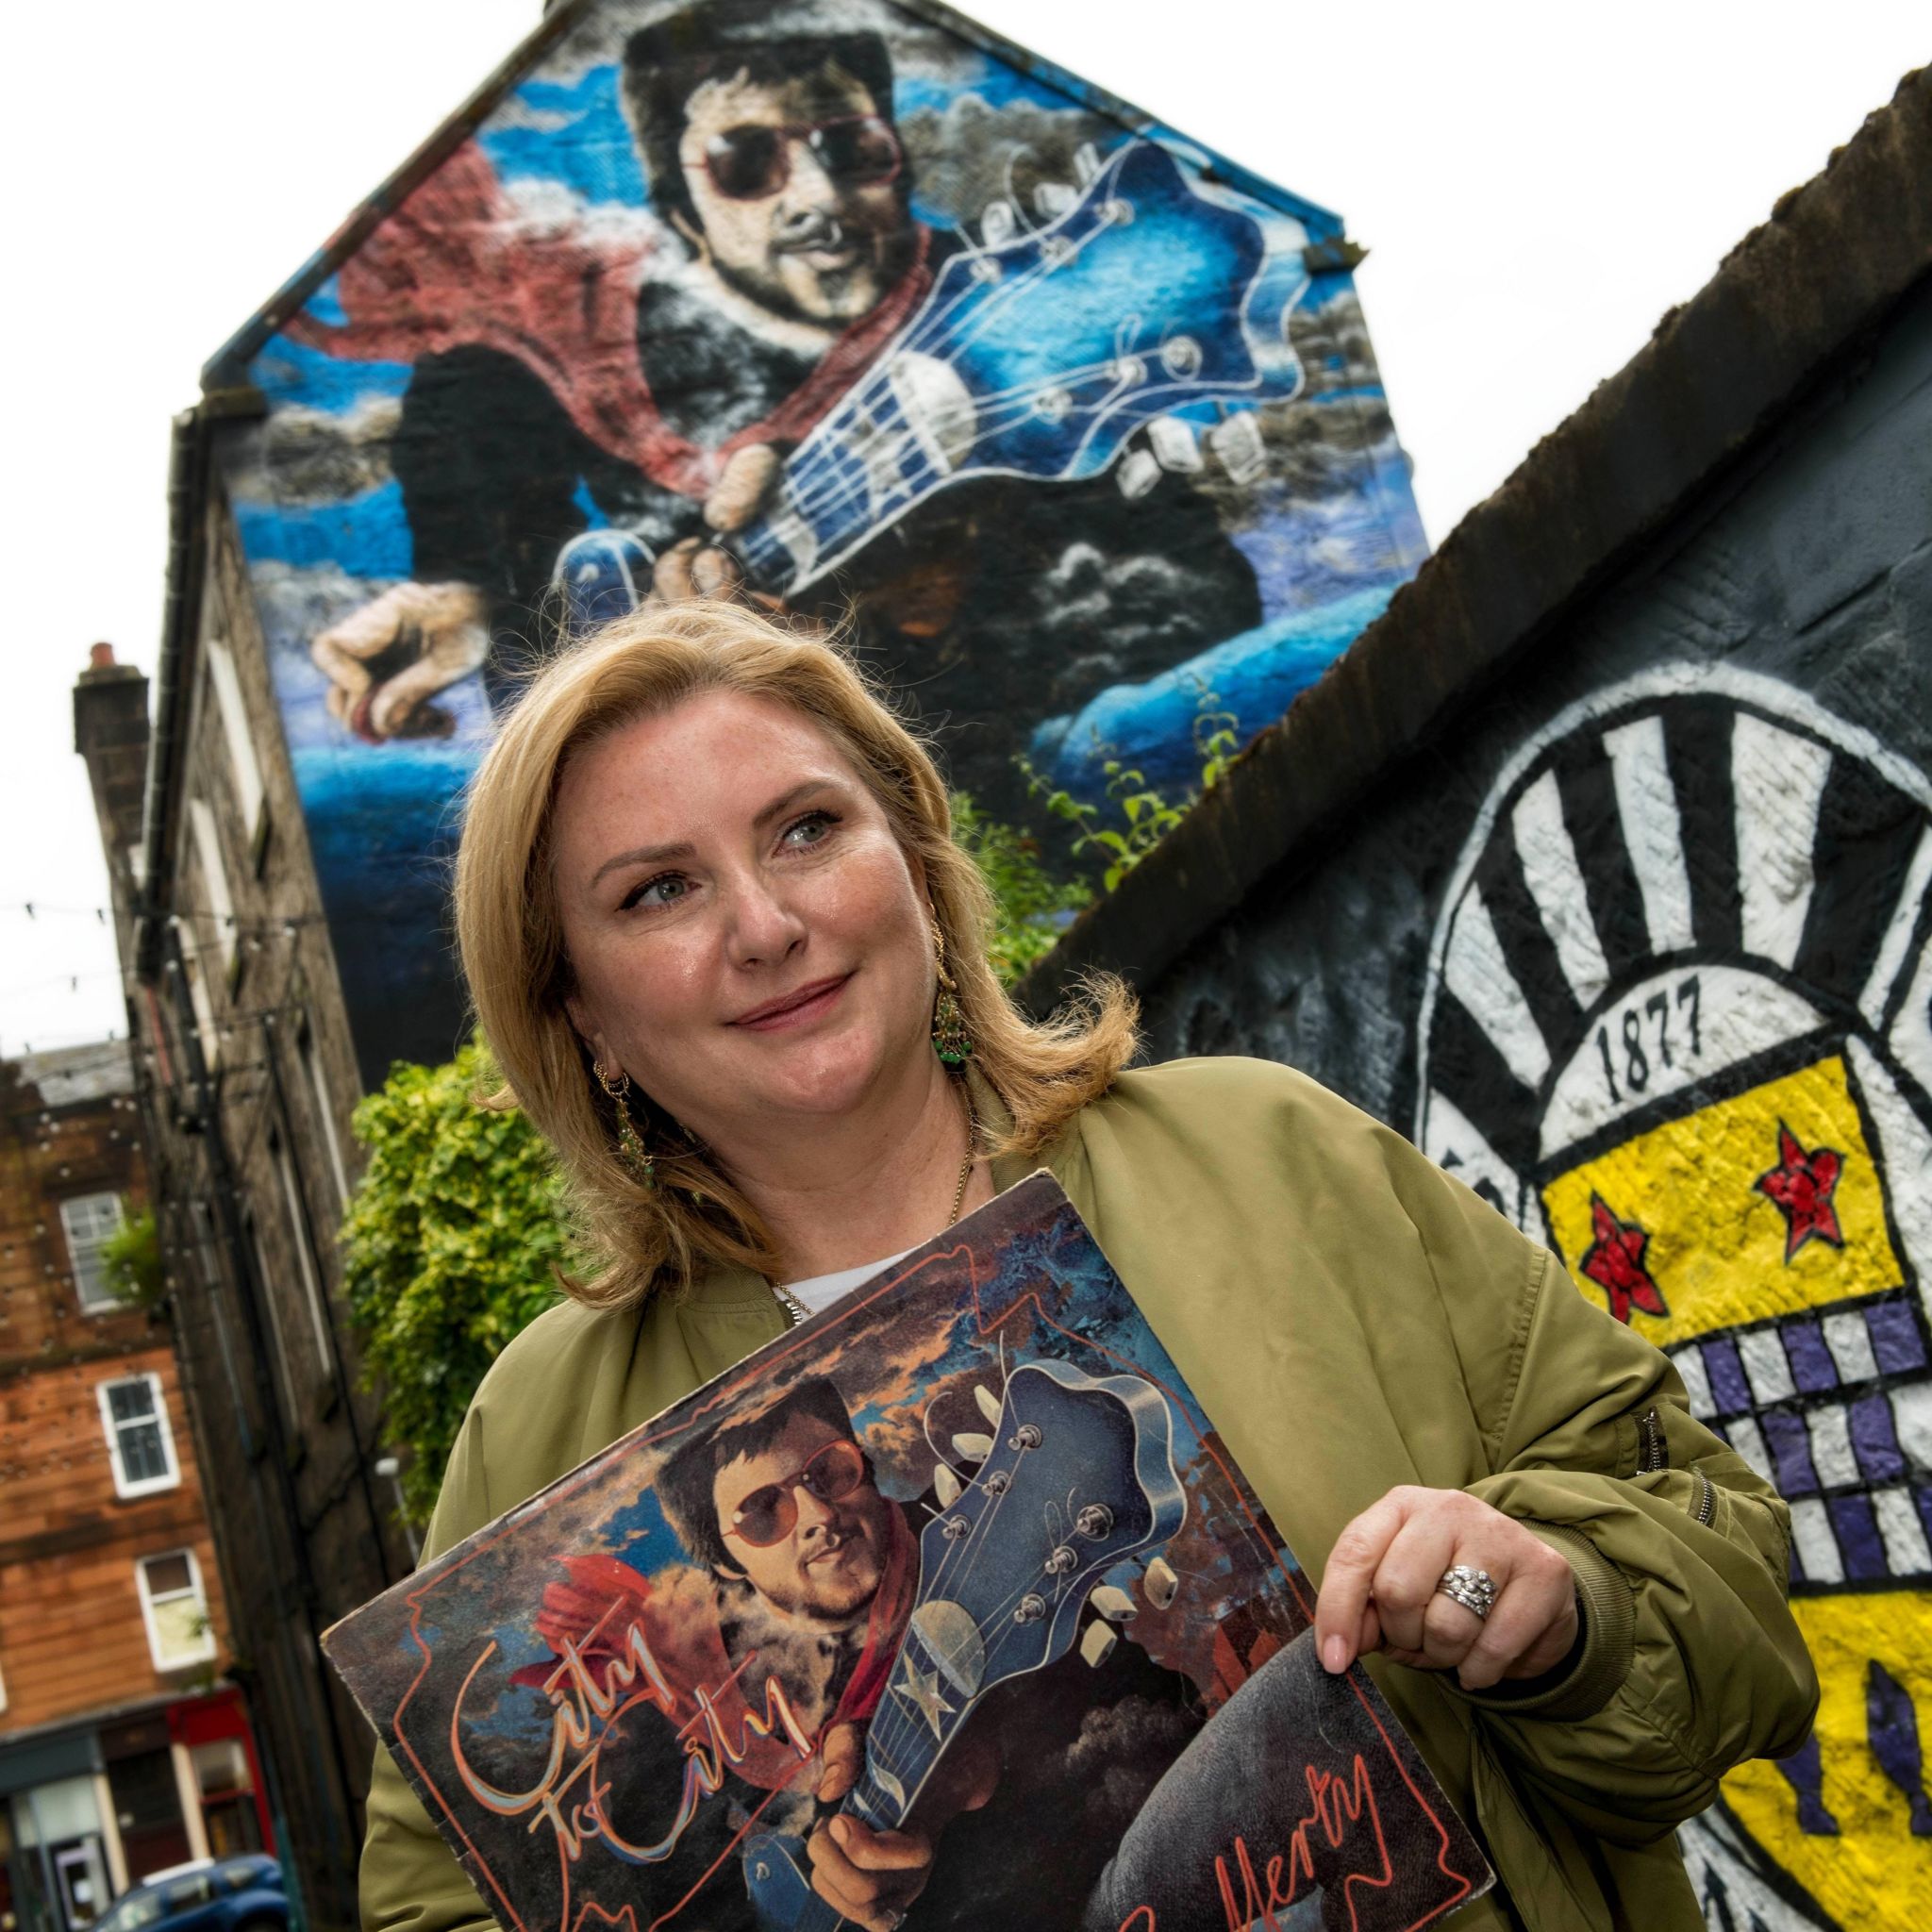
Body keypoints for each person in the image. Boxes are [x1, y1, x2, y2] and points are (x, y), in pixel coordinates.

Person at [359, 599, 1817, 1932]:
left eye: (806, 829)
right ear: (582, 1016)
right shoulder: (541, 1436)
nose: (766, 924)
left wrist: (1556, 1606)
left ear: (919, 867)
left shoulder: (1270, 1161)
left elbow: (1732, 1590)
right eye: (658, 892)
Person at [305, 0, 1259, 819]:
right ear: (678, 208)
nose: (816, 196)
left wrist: (930, 608)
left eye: (852, 149)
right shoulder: (590, 358)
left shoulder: (1014, 328)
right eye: (745, 162)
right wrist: (468, 591)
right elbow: (480, 409)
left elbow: (1200, 614)